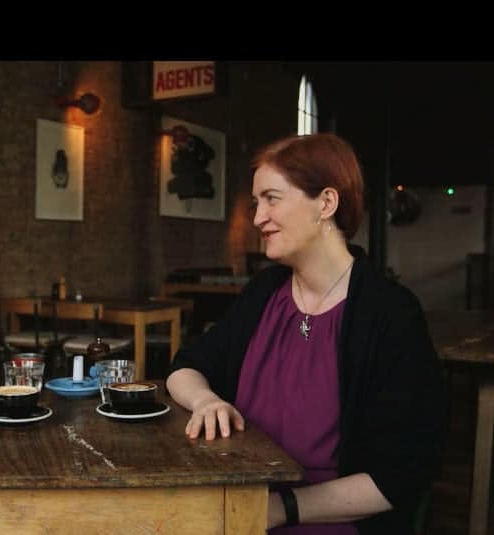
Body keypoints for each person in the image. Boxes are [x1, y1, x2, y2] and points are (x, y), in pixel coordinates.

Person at [166, 133, 444, 534]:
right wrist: (206, 400)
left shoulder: (390, 314)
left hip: (327, 519)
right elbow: (186, 366)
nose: (258, 217)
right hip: (241, 505)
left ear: (326, 203)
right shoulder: (264, 292)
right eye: (256, 202)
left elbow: (401, 474)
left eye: (272, 199)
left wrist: (279, 509)